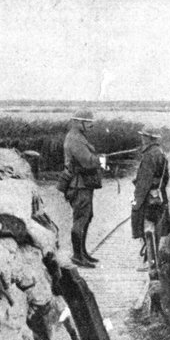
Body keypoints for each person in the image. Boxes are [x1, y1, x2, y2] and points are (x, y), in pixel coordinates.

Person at [63, 109, 106, 268]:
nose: (91, 125)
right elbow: (87, 161)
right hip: (78, 185)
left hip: (83, 184)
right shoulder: (75, 139)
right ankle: (77, 256)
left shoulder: (78, 137)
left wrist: (98, 159)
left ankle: (82, 253)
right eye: (87, 122)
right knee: (81, 219)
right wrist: (101, 160)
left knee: (86, 217)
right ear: (78, 122)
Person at [131, 128, 170, 272]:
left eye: (144, 136)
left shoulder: (149, 155)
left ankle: (150, 262)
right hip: (159, 195)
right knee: (157, 228)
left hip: (148, 197)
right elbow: (165, 177)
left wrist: (137, 200)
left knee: (146, 228)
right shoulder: (160, 152)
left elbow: (144, 182)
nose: (142, 139)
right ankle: (153, 259)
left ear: (150, 138)